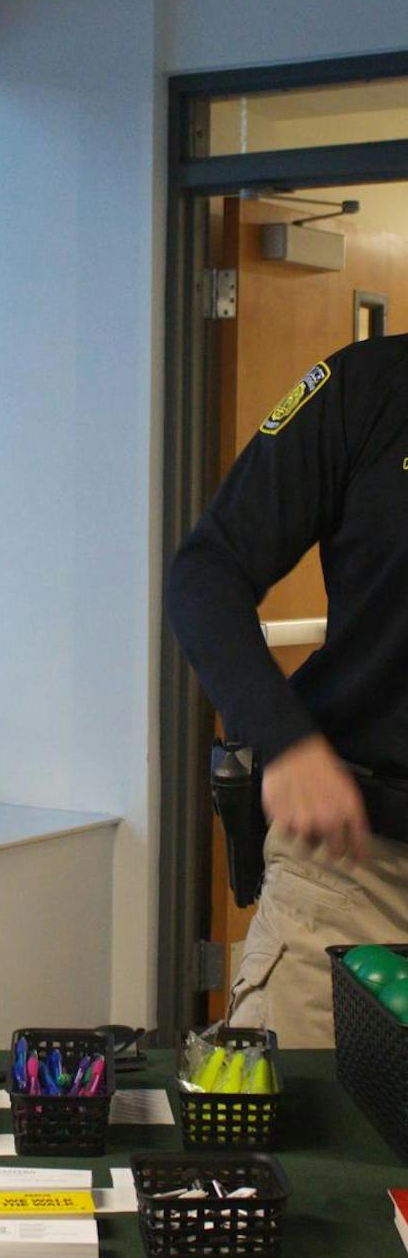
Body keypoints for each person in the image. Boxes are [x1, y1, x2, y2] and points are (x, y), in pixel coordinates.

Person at [167, 334, 408, 1046]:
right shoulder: (370, 387)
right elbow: (207, 570)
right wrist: (286, 741)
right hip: (358, 877)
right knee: (286, 1148)